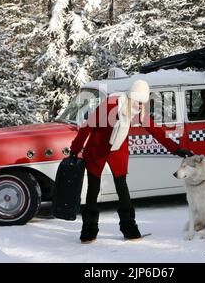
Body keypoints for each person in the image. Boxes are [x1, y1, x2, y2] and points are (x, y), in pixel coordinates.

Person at [69, 80, 193, 243]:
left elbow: (155, 131)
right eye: (138, 101)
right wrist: (74, 149)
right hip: (97, 149)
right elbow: (87, 127)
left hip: (118, 150)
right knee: (93, 190)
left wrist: (176, 149)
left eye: (143, 102)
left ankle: (130, 229)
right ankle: (88, 232)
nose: (140, 106)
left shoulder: (139, 109)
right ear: (131, 96)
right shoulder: (110, 104)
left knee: (122, 188)